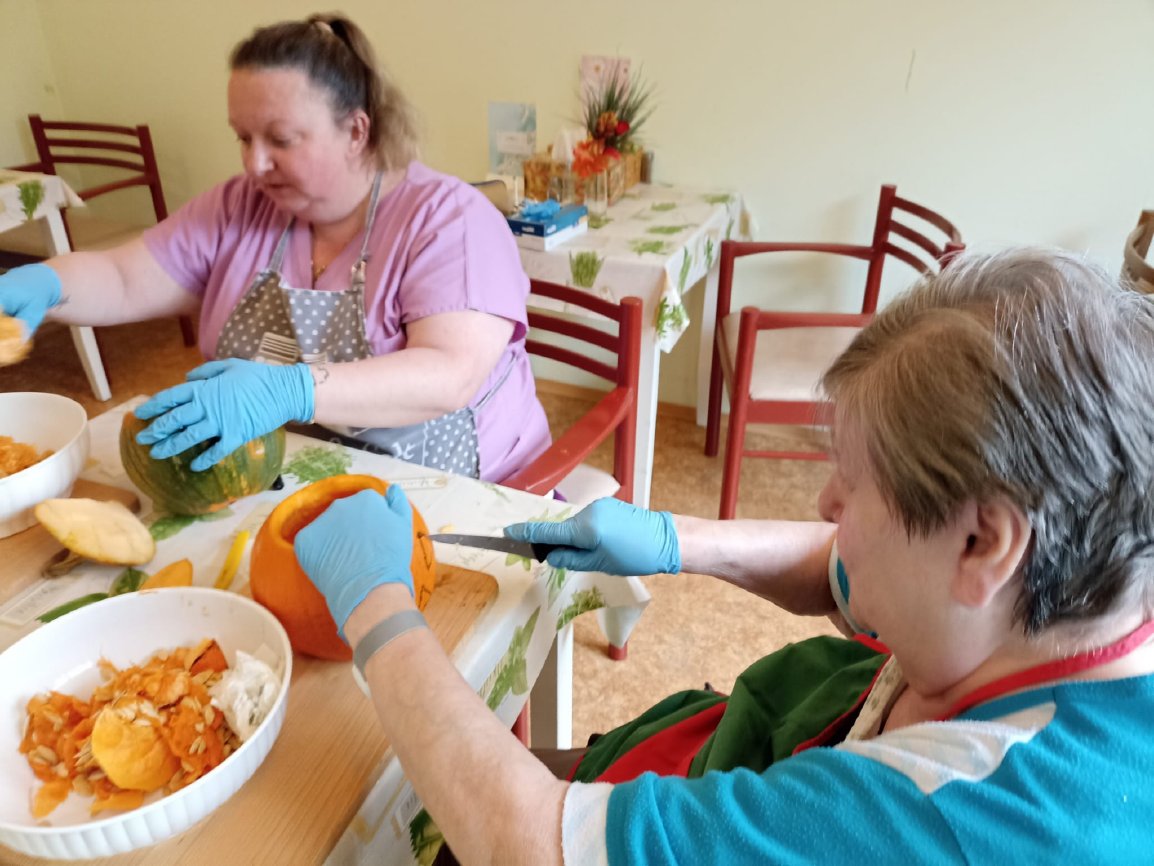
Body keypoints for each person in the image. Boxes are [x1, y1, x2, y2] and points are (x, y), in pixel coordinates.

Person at [292, 247, 1154, 864]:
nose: (826, 506)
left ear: (982, 541)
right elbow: (845, 568)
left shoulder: (968, 822)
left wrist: (376, 606)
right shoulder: (1056, 601)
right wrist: (673, 539)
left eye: (853, 485)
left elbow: (528, 842)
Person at [0, 13, 549, 481]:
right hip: (298, 470)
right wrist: (48, 283)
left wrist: (289, 391)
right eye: (243, 137)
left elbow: (450, 374)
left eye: (280, 140)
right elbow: (123, 279)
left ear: (356, 131)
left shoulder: (449, 221)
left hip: (464, 486)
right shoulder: (240, 205)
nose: (254, 163)